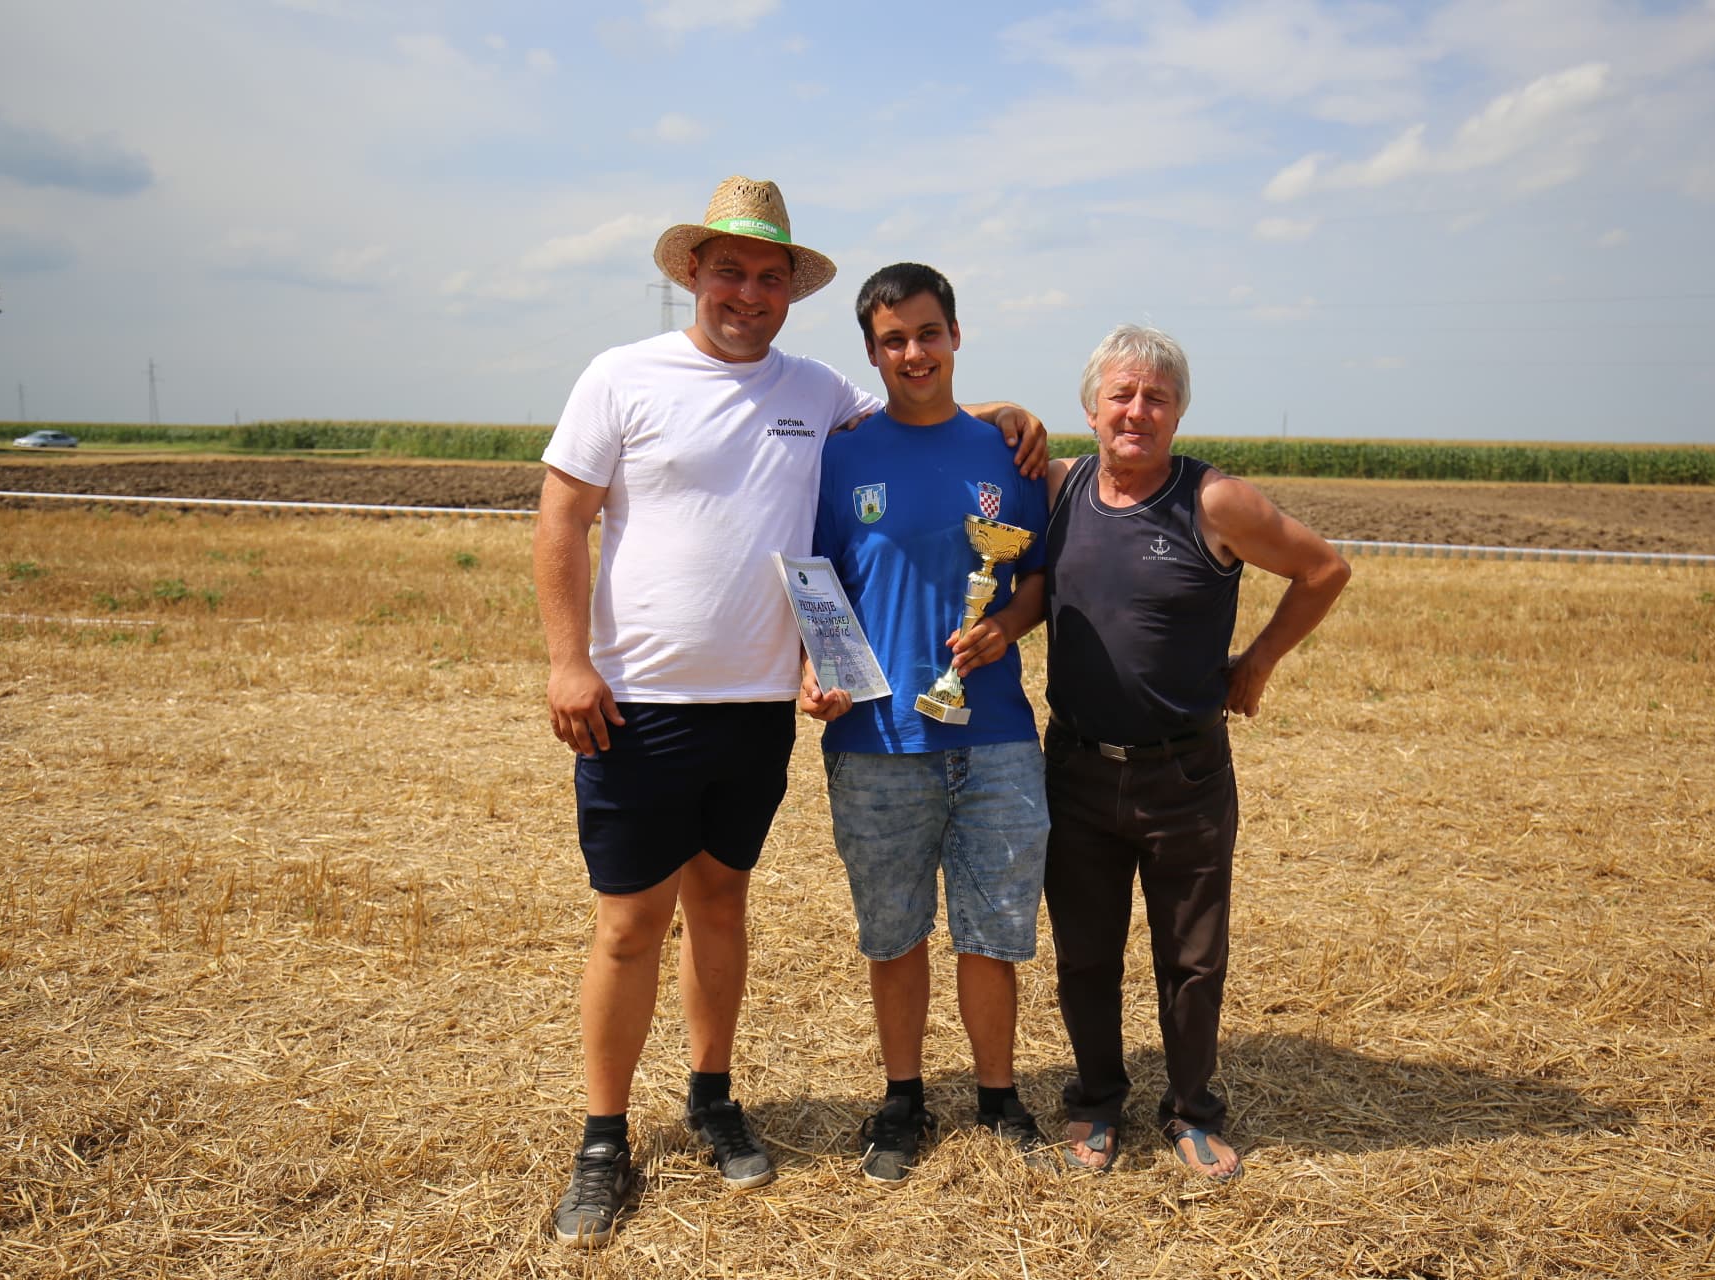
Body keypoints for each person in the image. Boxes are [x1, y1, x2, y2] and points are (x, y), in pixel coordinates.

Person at [533, 178, 1045, 1245]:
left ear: (790, 293)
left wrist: (1005, 414)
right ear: (693, 272)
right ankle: (603, 1139)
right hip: (639, 701)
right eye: (730, 271)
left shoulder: (816, 392)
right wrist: (568, 663)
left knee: (721, 904)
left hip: (758, 707)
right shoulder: (621, 375)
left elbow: (918, 410)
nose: (749, 293)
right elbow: (562, 517)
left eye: (770, 277)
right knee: (629, 925)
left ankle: (712, 1097)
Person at [1038, 324, 1350, 1179]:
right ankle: (1096, 1104)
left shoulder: (1215, 502)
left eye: (1158, 397)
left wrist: (1259, 662)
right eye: (1121, 395)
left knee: (1192, 958)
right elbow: (980, 427)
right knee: (1085, 954)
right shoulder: (1058, 488)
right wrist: (1001, 412)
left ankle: (1191, 1112)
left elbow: (1324, 570)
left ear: (1179, 413)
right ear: (1091, 408)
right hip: (1075, 767)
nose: (1137, 411)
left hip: (1185, 773)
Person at [801, 263, 1052, 1185]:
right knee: (894, 932)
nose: (915, 352)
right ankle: (902, 1097)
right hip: (875, 745)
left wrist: (1005, 627)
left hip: (996, 739)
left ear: (955, 335)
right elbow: (814, 587)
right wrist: (815, 673)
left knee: (993, 932)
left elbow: (1037, 578)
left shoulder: (1008, 452)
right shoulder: (840, 459)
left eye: (928, 333)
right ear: (872, 354)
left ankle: (998, 1095)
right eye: (894, 340)